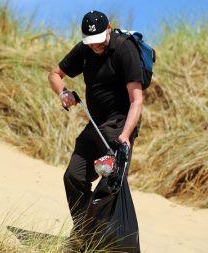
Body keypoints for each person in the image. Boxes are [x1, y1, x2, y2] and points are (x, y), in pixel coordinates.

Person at [48, 10, 143, 249]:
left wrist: (125, 136)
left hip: (120, 125)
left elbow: (137, 100)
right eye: (91, 42)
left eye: (100, 39)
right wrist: (63, 93)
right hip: (95, 124)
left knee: (109, 185)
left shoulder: (124, 50)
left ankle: (108, 245)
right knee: (73, 176)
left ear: (109, 28)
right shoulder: (85, 50)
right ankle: (84, 233)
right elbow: (54, 74)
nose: (96, 45)